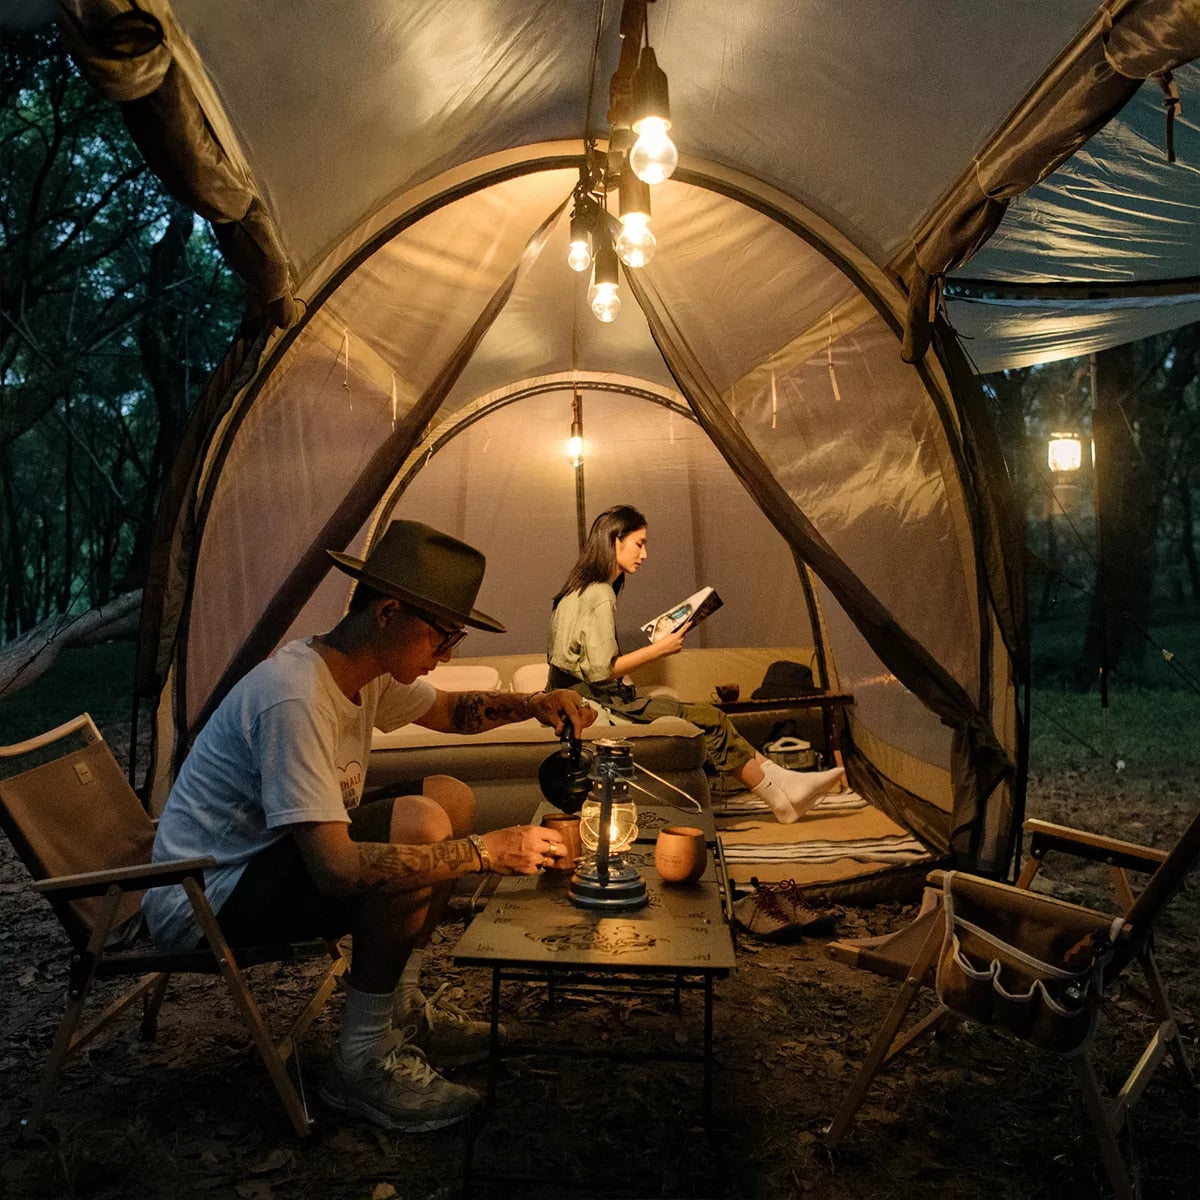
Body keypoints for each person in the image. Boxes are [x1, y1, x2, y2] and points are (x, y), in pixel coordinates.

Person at [143, 519, 596, 1133]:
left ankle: (400, 1010)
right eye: (444, 635)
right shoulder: (294, 696)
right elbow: (335, 871)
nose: (449, 653)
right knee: (422, 823)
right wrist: (483, 854)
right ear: (388, 614)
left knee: (451, 797)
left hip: (267, 862)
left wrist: (532, 704)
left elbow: (451, 712)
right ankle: (359, 1062)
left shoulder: (363, 670)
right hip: (205, 896)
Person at [548, 505, 844, 824]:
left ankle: (784, 789)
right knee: (709, 716)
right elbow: (599, 670)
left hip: (572, 698)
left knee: (701, 712)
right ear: (616, 540)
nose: (644, 554)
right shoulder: (600, 594)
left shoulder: (576, 591)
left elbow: (581, 662)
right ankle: (781, 796)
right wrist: (660, 649)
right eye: (639, 543)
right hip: (588, 703)